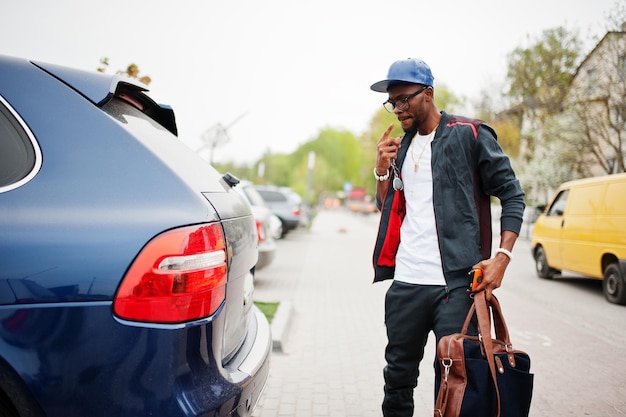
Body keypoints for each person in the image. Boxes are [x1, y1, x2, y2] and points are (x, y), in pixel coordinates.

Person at [370, 58, 525, 417]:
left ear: (428, 94)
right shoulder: (402, 147)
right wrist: (381, 172)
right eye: (392, 102)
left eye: (405, 99)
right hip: (406, 285)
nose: (398, 109)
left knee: (455, 384)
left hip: (454, 289)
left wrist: (502, 257)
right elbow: (390, 207)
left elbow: (513, 195)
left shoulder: (469, 134)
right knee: (397, 382)